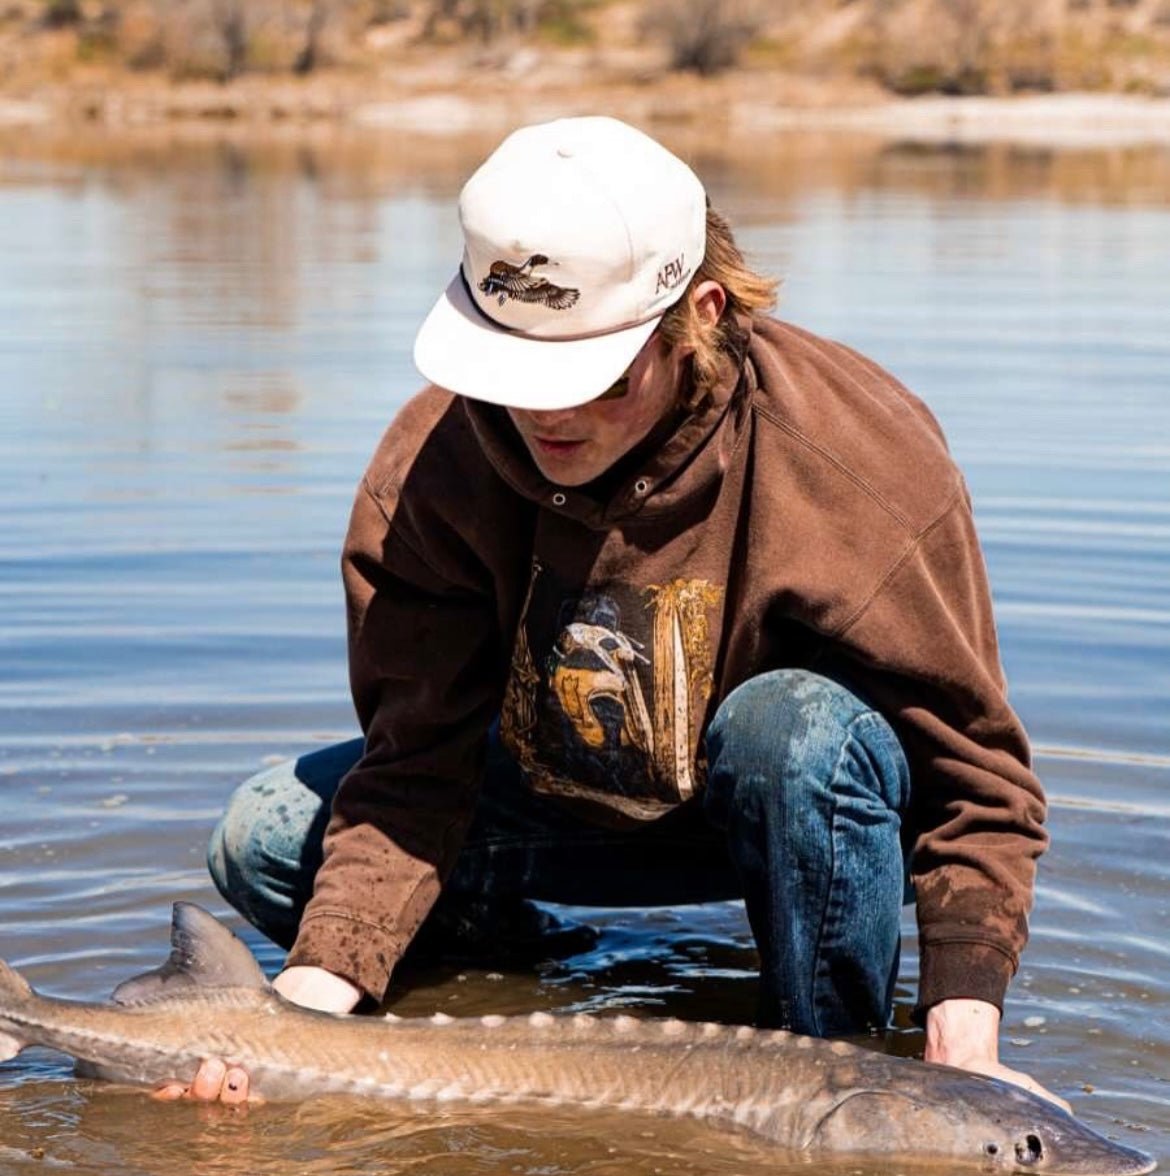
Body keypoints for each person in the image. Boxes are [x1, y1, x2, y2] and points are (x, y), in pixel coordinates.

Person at [159, 115, 1061, 1110]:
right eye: (512, 373)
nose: (550, 417)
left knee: (798, 732)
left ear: (700, 316)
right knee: (265, 832)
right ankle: (526, 996)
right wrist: (293, 1025)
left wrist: (961, 1048)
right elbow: (414, 767)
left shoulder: (862, 464)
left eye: (594, 380)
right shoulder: (430, 468)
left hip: (782, 813)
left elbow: (978, 785)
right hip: (552, 802)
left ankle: (826, 1055)